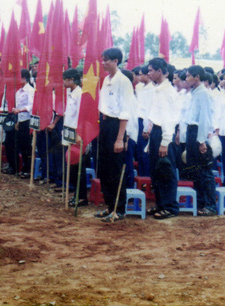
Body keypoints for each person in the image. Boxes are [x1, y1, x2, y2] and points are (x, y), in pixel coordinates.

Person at [95, 48, 136, 223]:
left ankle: (119, 209)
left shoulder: (123, 81)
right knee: (104, 168)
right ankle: (109, 205)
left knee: (115, 169)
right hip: (104, 124)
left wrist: (120, 138)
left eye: (107, 60)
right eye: (102, 59)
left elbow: (125, 112)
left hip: (116, 126)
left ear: (116, 61)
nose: (103, 63)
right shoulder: (106, 80)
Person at [145, 57, 180, 219]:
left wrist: (165, 141)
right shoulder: (158, 89)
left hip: (165, 133)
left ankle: (170, 206)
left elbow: (168, 119)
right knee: (156, 170)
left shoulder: (167, 91)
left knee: (166, 170)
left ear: (160, 71)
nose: (149, 73)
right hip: (156, 132)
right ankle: (161, 203)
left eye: (151, 70)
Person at [183, 65, 218, 216]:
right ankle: (201, 202)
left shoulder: (203, 93)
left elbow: (204, 118)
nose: (186, 79)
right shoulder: (194, 93)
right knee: (195, 171)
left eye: (188, 76)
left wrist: (202, 140)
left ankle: (210, 205)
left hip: (199, 133)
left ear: (197, 77)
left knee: (205, 171)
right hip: (192, 131)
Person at [61, 68, 88, 207]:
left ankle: (81, 197)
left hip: (77, 134)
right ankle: (75, 194)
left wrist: (79, 134)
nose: (63, 82)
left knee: (78, 167)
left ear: (71, 80)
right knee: (70, 165)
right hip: (68, 131)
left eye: (65, 79)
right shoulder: (70, 93)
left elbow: (81, 116)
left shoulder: (80, 94)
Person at [3, 69, 34, 177]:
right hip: (19, 120)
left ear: (24, 78)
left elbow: (31, 106)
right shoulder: (19, 91)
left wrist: (20, 110)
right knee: (16, 144)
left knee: (26, 146)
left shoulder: (30, 90)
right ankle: (16, 167)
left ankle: (27, 169)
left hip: (27, 121)